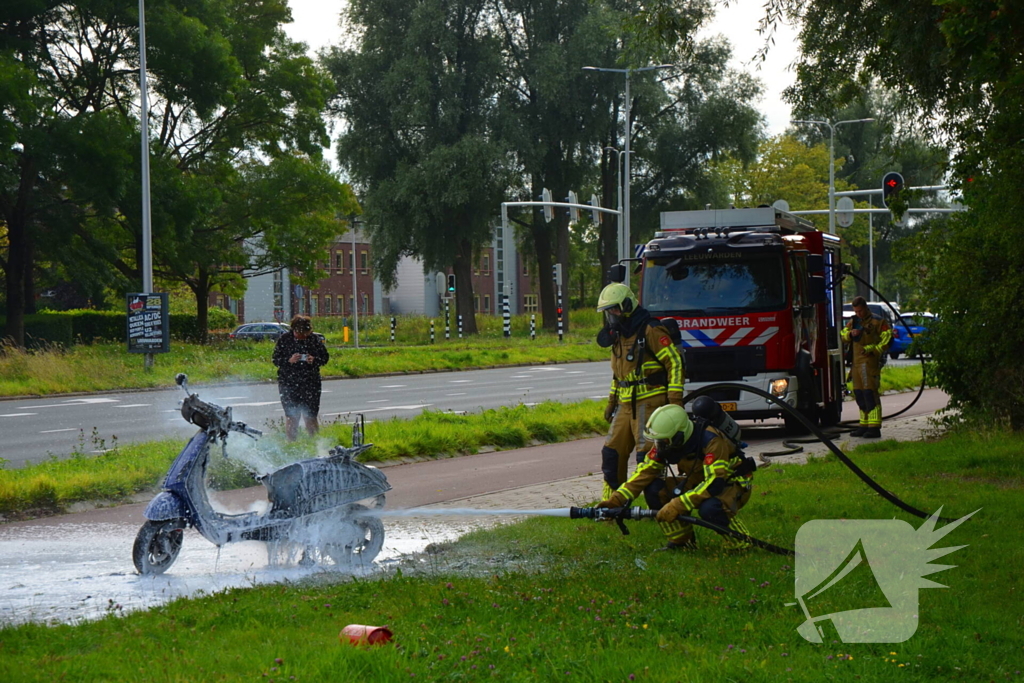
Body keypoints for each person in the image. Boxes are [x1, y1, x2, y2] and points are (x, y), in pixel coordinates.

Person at [598, 404, 755, 550]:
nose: (659, 445)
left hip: (731, 483)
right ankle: (682, 542)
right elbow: (644, 472)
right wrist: (617, 499)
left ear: (680, 435)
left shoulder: (712, 441)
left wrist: (678, 504)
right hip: (699, 480)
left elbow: (714, 483)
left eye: (663, 441)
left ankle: (741, 544)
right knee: (655, 490)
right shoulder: (669, 440)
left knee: (710, 509)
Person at [596, 283, 685, 501]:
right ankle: (614, 505)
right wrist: (611, 402)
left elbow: (674, 362)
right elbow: (620, 375)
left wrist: (674, 401)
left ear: (627, 305)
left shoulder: (650, 330)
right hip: (625, 406)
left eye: (615, 309)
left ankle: (659, 505)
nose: (612, 315)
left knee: (647, 459)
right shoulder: (619, 335)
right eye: (609, 311)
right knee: (611, 454)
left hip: (650, 403)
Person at [841, 296, 892, 438]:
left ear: (866, 308)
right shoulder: (854, 322)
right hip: (856, 364)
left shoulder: (877, 321)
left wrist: (874, 349)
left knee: (870, 394)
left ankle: (874, 427)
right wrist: (850, 334)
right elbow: (843, 335)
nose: (859, 314)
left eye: (861, 311)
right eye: (856, 311)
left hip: (870, 364)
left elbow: (888, 338)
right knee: (860, 394)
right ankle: (864, 425)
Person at [272, 315, 330, 440]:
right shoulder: (284, 340)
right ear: (294, 330)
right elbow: (275, 360)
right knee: (292, 415)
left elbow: (325, 358)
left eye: (306, 334)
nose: (303, 337)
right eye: (300, 334)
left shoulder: (314, 339)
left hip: (311, 382)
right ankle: (292, 443)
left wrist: (314, 359)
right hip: (288, 382)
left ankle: (314, 443)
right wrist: (289, 360)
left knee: (311, 415)